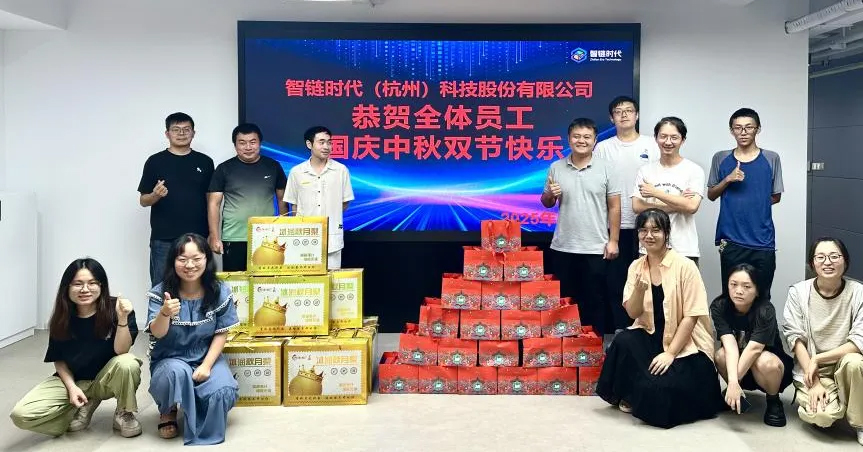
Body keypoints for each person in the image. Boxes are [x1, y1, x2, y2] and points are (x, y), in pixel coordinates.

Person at [596, 208, 723, 428]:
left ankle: (642, 391)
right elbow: (632, 314)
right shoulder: (636, 266)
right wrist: (639, 290)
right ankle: (633, 391)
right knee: (623, 340)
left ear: (666, 233)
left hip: (687, 345)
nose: (649, 235)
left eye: (655, 230)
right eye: (643, 230)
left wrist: (670, 354)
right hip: (652, 335)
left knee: (658, 392)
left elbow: (691, 317)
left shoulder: (685, 266)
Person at [10, 258, 142, 438]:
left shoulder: (117, 308)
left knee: (128, 363)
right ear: (67, 287)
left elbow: (121, 351)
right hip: (76, 380)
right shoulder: (62, 316)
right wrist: (72, 388)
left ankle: (124, 411)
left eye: (92, 283)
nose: (85, 289)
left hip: (106, 379)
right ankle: (81, 407)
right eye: (77, 284)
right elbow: (59, 358)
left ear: (101, 285)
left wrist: (122, 318)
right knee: (21, 415)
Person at [146, 233, 239, 445]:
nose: (189, 265)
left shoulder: (219, 291)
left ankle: (199, 405)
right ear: (173, 261)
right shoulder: (160, 293)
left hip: (205, 357)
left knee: (222, 391)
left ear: (207, 259)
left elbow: (221, 332)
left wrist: (206, 365)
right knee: (174, 374)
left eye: (197, 259)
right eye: (182, 259)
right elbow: (157, 333)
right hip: (170, 358)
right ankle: (168, 409)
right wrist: (164, 313)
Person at [542, 117, 621, 336]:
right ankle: (567, 346)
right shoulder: (556, 167)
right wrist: (550, 194)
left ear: (595, 141)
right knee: (565, 300)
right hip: (563, 246)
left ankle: (594, 346)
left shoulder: (607, 168)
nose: (581, 141)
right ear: (569, 139)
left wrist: (614, 240)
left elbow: (615, 207)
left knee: (595, 300)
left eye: (587, 137)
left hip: (596, 246)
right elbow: (547, 202)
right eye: (576, 136)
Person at [782, 237, 863, 445]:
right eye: (821, 257)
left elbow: (858, 341)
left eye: (834, 256)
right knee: (823, 417)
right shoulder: (798, 293)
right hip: (811, 371)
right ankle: (841, 402)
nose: (828, 262)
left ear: (845, 261)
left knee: (855, 362)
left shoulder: (858, 293)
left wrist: (818, 358)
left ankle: (860, 422)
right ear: (812, 263)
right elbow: (795, 338)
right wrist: (815, 381)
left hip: (845, 365)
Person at [594, 96, 660, 333]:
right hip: (614, 226)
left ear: (637, 115)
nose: (624, 115)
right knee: (616, 281)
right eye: (618, 111)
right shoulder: (603, 148)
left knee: (649, 279)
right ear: (611, 118)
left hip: (648, 225)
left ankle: (648, 329)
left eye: (629, 110)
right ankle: (620, 330)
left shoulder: (652, 145)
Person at [707, 108, 783, 300]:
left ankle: (759, 324)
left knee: (762, 296)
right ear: (731, 130)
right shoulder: (721, 158)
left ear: (758, 129)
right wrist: (728, 179)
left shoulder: (771, 158)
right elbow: (711, 195)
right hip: (731, 240)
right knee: (732, 296)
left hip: (763, 240)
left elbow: (775, 196)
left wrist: (753, 204)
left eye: (749, 127)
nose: (743, 132)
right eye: (738, 128)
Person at [711, 263, 793, 427]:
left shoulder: (765, 310)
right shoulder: (719, 306)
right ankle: (736, 392)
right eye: (733, 284)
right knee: (720, 355)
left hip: (770, 370)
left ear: (757, 290)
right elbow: (730, 345)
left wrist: (733, 381)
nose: (738, 291)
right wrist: (733, 382)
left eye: (747, 286)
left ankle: (773, 400)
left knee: (764, 361)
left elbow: (754, 349)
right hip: (740, 367)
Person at [138, 112, 215, 287]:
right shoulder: (155, 161)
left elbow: (211, 200)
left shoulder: (205, 162)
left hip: (198, 237)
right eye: (176, 129)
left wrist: (213, 234)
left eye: (186, 129)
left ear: (193, 133)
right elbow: (143, 200)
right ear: (167, 133)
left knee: (200, 286)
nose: (181, 133)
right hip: (164, 238)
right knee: (161, 287)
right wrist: (155, 195)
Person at [207, 123, 288, 272]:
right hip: (234, 236)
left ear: (260, 143)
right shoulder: (224, 168)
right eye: (242, 143)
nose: (248, 147)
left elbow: (282, 200)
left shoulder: (273, 166)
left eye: (252, 142)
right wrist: (214, 236)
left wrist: (284, 231)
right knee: (235, 282)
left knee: (267, 281)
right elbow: (214, 204)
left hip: (267, 238)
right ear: (235, 145)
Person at [632, 117, 705, 264]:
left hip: (684, 249)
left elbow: (691, 206)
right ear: (656, 138)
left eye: (674, 137)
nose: (668, 142)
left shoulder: (694, 170)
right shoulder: (645, 171)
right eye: (663, 136)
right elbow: (637, 206)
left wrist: (654, 192)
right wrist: (679, 203)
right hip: (649, 248)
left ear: (682, 140)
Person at [284, 126, 355, 270]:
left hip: (332, 239)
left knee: (332, 280)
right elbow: (294, 205)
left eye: (329, 142)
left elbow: (345, 203)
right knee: (305, 280)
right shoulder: (297, 172)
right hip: (303, 239)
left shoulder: (341, 170)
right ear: (309, 144)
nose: (326, 147)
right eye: (321, 142)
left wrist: (331, 216)